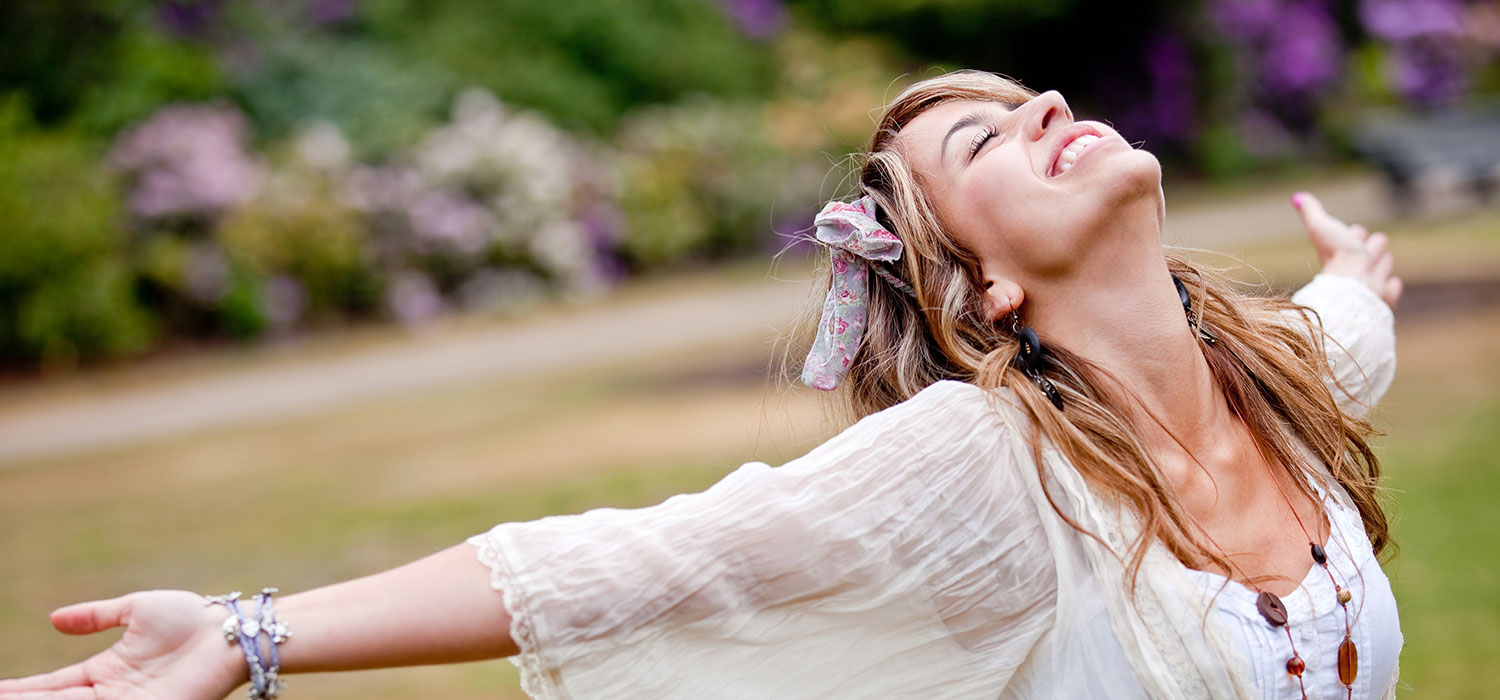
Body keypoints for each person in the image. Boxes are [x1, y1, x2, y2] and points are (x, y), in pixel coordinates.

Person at [0, 70, 1402, 700]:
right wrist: (249, 632)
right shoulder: (989, 466)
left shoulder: (1283, 371)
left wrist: (1353, 279)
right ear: (991, 291)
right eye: (984, 139)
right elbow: (640, 562)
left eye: (1026, 94)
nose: (1043, 108)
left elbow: (1344, 327)